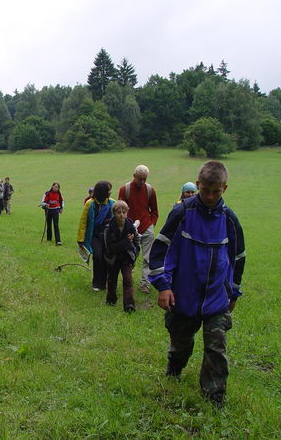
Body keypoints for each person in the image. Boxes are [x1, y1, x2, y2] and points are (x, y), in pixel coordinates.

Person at [148, 161, 246, 408]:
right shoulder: (182, 213)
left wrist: (233, 292)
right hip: (184, 296)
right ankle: (175, 367)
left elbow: (238, 258)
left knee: (216, 348)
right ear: (198, 184)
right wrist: (163, 286)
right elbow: (160, 249)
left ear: (225, 188)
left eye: (216, 192)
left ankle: (214, 397)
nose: (210, 197)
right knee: (181, 343)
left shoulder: (229, 220)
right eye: (205, 191)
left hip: (216, 298)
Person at [118, 165, 159, 294]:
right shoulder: (125, 190)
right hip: (130, 229)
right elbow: (120, 211)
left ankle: (145, 284)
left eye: (144, 179)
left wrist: (151, 224)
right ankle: (128, 280)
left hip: (146, 227)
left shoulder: (150, 190)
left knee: (147, 258)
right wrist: (125, 228)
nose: (142, 182)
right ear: (134, 176)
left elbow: (154, 211)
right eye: (139, 179)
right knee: (130, 256)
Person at [77, 181, 115, 291]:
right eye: (108, 190)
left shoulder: (112, 203)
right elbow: (83, 221)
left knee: (106, 258)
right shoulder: (90, 204)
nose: (110, 192)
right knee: (97, 256)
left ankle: (103, 283)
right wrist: (80, 239)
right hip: (95, 235)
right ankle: (96, 282)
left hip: (107, 237)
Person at [104, 201, 140, 312]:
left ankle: (129, 305)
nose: (121, 215)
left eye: (124, 212)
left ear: (127, 212)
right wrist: (126, 241)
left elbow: (136, 241)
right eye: (118, 212)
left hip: (127, 257)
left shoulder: (131, 227)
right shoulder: (108, 228)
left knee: (128, 280)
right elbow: (110, 247)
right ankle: (111, 300)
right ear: (114, 213)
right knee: (112, 280)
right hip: (113, 258)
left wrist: (135, 254)